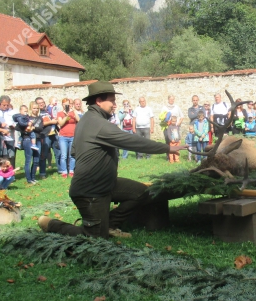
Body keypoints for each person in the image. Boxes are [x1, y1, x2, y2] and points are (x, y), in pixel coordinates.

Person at [38, 81, 186, 239]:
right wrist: (167, 148)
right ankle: (51, 224)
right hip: (90, 191)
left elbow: (74, 151)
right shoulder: (99, 124)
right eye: (112, 101)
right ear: (99, 101)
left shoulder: (86, 120)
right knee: (94, 238)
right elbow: (132, 141)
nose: (115, 105)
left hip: (106, 183)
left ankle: (110, 224)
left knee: (142, 193)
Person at [17, 102, 43, 185]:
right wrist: (27, 129)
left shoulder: (40, 118)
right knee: (28, 160)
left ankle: (33, 177)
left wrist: (33, 127)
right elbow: (19, 127)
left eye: (37, 108)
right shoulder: (26, 118)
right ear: (31, 109)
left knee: (36, 160)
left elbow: (41, 128)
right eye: (34, 108)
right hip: (27, 139)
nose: (35, 110)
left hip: (37, 139)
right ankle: (29, 179)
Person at [35, 97, 59, 178]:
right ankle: (42, 173)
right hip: (44, 135)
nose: (41, 104)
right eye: (39, 103)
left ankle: (60, 170)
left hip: (53, 134)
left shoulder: (48, 111)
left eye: (42, 102)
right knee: (43, 155)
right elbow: (39, 124)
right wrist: (51, 122)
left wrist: (54, 120)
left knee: (58, 153)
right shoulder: (37, 114)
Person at [56, 98, 79, 178]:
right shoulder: (60, 113)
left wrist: (74, 111)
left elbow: (79, 120)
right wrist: (67, 115)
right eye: (65, 104)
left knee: (72, 155)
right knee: (64, 155)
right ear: (62, 105)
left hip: (73, 136)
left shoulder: (73, 113)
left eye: (68, 104)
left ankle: (71, 170)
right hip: (63, 136)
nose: (67, 106)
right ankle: (64, 171)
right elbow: (61, 123)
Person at [160, 95, 183, 160]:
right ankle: (168, 156)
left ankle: (175, 156)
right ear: (168, 99)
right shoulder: (164, 107)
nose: (172, 100)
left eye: (173, 99)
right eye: (170, 99)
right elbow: (161, 117)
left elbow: (182, 116)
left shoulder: (177, 107)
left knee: (175, 142)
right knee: (168, 141)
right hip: (167, 127)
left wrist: (178, 123)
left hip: (175, 128)